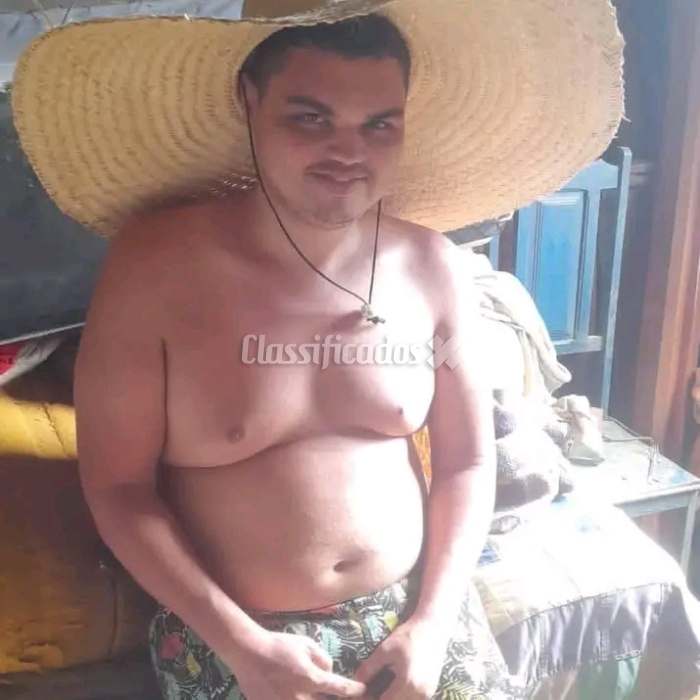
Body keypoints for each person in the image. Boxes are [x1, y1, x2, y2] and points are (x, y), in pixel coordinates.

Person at [9, 1, 624, 698]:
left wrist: (432, 623)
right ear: (250, 101)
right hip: (234, 638)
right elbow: (119, 489)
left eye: (378, 124)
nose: (348, 153)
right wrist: (243, 646)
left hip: (418, 625)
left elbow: (468, 461)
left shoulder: (433, 267)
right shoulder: (156, 267)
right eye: (311, 118)